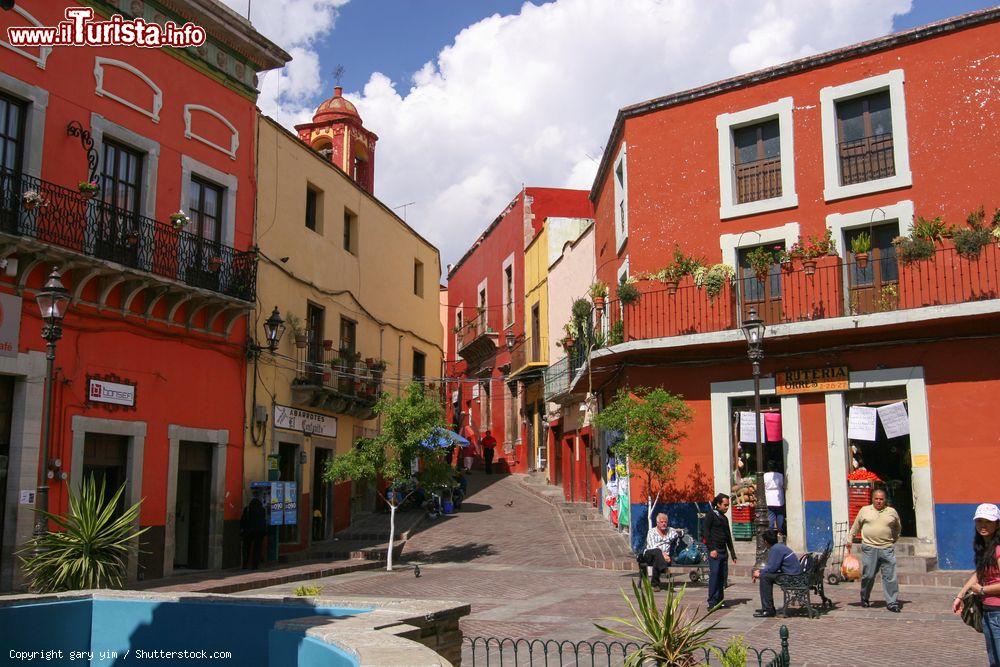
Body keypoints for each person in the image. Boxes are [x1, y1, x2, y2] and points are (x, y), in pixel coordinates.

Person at [953, 503, 1000, 666]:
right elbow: (980, 573)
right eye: (980, 521)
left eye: (988, 521)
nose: (983, 525)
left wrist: (981, 589)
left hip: (998, 613)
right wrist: (961, 594)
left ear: (997, 524)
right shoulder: (985, 547)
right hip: (989, 611)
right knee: (994, 660)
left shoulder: (998, 549)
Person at [848, 488, 902, 612]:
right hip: (869, 548)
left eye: (881, 499)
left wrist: (893, 540)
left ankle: (892, 602)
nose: (879, 501)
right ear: (872, 499)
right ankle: (865, 597)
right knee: (869, 575)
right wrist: (849, 539)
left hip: (886, 548)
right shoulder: (864, 510)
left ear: (885, 500)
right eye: (876, 499)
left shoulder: (891, 512)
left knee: (890, 576)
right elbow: (856, 526)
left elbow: (897, 528)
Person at [753, 529, 803, 617]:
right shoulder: (779, 546)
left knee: (765, 578)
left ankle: (768, 609)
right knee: (765, 575)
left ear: (766, 541)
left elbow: (772, 568)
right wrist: (761, 571)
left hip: (792, 577)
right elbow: (772, 567)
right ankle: (767, 607)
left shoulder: (776, 549)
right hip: (793, 574)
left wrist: (760, 573)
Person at [703, 493, 738, 609]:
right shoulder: (711, 515)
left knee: (722, 576)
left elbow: (728, 536)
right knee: (714, 575)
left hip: (723, 551)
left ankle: (720, 600)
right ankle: (712, 602)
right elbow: (706, 532)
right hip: (715, 551)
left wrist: (733, 553)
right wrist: (711, 548)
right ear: (718, 504)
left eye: (728, 505)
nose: (727, 508)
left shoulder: (724, 518)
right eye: (725, 505)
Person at [642, 512, 680, 590]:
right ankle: (664, 568)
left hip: (660, 558)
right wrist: (665, 555)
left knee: (658, 559)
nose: (664, 524)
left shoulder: (670, 531)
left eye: (665, 522)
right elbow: (653, 546)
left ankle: (655, 585)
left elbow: (680, 533)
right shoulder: (651, 532)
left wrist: (680, 532)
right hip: (649, 555)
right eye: (661, 522)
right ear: (657, 523)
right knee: (657, 551)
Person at [240, 496, 267, 570]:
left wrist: (243, 529)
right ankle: (255, 565)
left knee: (246, 548)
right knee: (257, 548)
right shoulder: (262, 509)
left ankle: (245, 564)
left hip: (249, 531)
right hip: (259, 532)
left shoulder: (247, 509)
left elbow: (243, 520)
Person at [763, 461, 785, 534]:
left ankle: (771, 531)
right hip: (779, 497)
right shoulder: (780, 475)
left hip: (769, 497)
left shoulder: (765, 475)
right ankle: (780, 531)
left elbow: (763, 485)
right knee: (780, 515)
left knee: (771, 515)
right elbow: (782, 485)